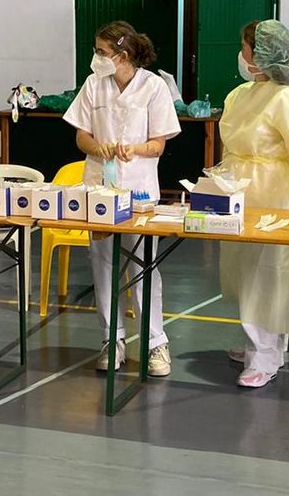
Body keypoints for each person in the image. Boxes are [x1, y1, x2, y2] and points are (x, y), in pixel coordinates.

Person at [218, 20, 289, 388]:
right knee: (246, 273)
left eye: (245, 47)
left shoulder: (288, 98)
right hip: (240, 194)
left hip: (275, 196)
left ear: (260, 53)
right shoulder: (239, 95)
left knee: (270, 276)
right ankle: (262, 343)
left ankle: (265, 356)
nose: (241, 54)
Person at [63, 21, 181, 376]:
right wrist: (98, 147)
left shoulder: (154, 87)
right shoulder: (93, 85)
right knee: (103, 266)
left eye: (101, 52)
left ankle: (154, 342)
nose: (96, 58)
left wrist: (134, 149)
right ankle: (111, 340)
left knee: (143, 267)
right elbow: (81, 136)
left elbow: (159, 142)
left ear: (123, 55)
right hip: (99, 188)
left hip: (140, 190)